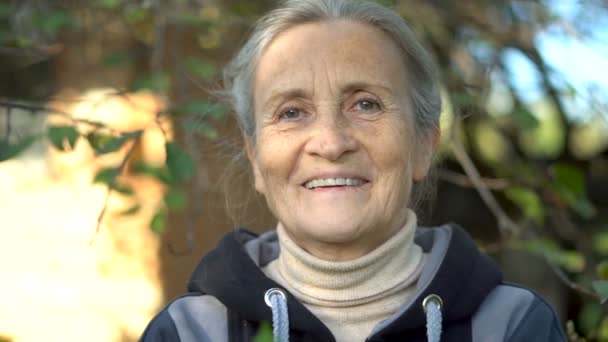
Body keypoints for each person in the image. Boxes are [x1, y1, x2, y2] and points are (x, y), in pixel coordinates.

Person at [141, 0, 566, 341]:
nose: (330, 142)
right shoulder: (190, 331)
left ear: (423, 144)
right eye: (291, 112)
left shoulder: (511, 326)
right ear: (255, 158)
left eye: (366, 104)